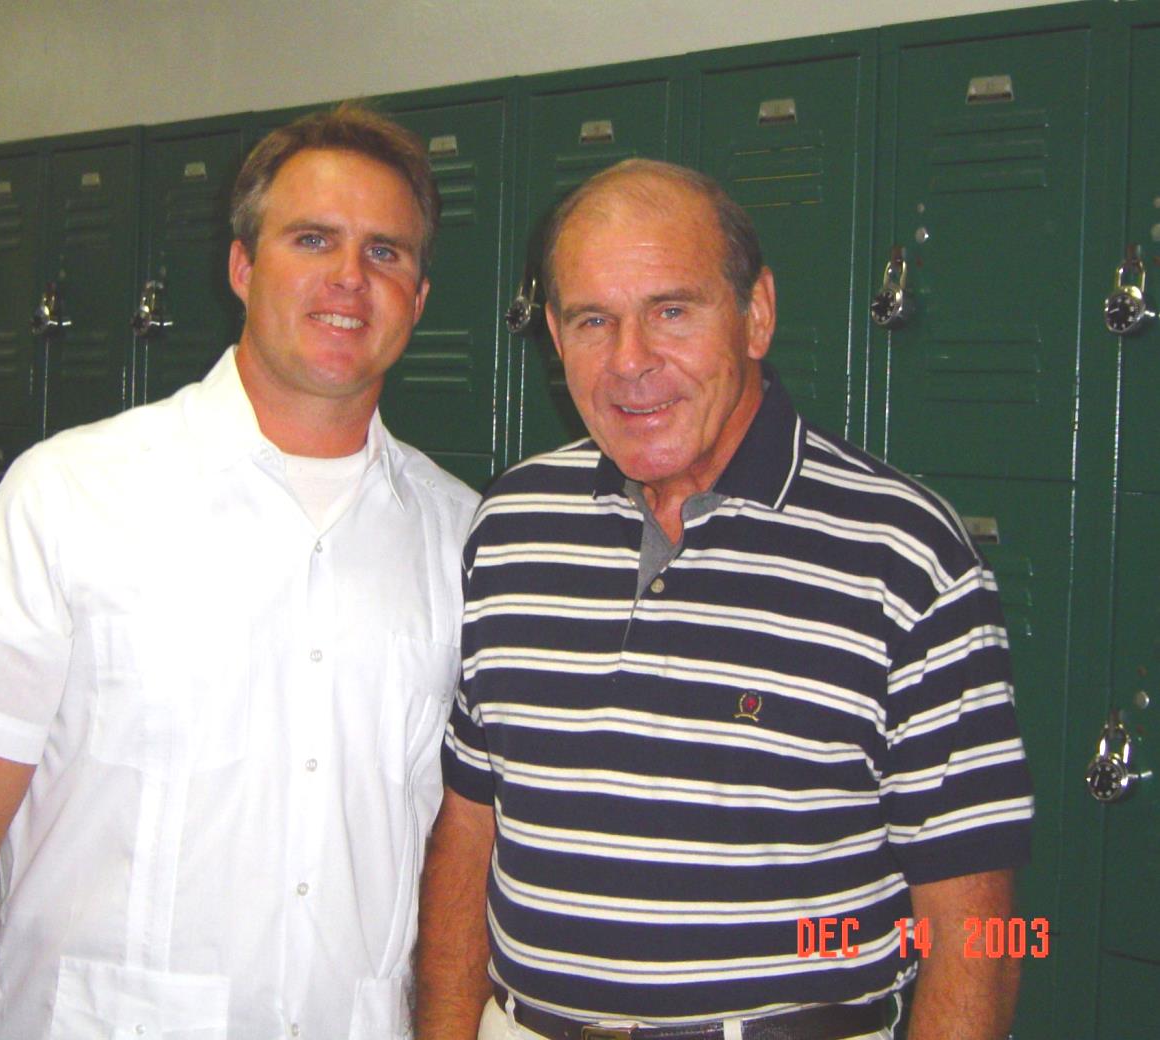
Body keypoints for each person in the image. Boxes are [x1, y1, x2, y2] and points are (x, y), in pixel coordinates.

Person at [0, 103, 479, 1040]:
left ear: (420, 296)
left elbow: (457, 854)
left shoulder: (460, 536)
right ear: (242, 267)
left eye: (385, 252)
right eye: (312, 239)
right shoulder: (69, 495)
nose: (349, 279)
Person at [414, 159, 1034, 1040]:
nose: (631, 362)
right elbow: (468, 832)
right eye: (593, 320)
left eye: (671, 311)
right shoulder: (512, 526)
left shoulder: (903, 554)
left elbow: (978, 931)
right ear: (554, 334)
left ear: (757, 314)